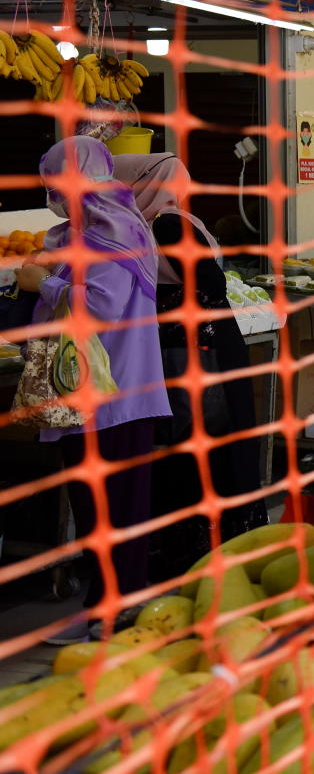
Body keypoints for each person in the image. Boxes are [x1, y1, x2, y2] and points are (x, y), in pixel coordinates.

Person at [17, 137, 171, 640]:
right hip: (114, 396)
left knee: (110, 510)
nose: (53, 196)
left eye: (57, 184)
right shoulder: (103, 230)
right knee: (104, 508)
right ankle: (108, 605)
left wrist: (45, 285)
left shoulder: (107, 235)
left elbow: (100, 308)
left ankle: (111, 610)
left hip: (112, 399)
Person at [111, 153, 266, 582]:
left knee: (196, 443)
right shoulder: (165, 223)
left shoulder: (166, 225)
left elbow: (209, 283)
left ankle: (198, 555)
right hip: (204, 347)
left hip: (197, 353)